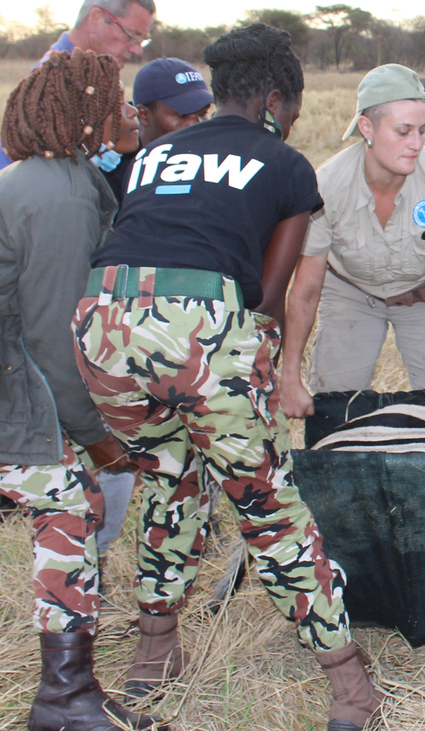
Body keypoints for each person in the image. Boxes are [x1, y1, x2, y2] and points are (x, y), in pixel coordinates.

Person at [71, 24, 382, 731]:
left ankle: (155, 650)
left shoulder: (158, 150)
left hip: (101, 323)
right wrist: (252, 390)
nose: (293, 122)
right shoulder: (287, 165)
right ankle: (350, 683)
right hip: (199, 324)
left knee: (169, 474)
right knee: (266, 502)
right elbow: (268, 297)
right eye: (295, 110)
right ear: (275, 98)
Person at [0, 49, 162, 731]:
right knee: (70, 515)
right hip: (20, 388)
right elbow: (51, 337)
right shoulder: (60, 196)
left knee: (78, 511)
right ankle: (64, 699)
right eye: (121, 101)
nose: (131, 113)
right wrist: (96, 436)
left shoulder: (44, 180)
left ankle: (69, 690)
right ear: (89, 111)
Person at [282, 63, 425, 418]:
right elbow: (306, 287)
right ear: (367, 128)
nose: (417, 144)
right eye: (404, 131)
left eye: (423, 131)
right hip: (351, 291)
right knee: (335, 404)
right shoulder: (326, 185)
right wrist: (288, 376)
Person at [0, 0, 156, 170]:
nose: (137, 51)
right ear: (96, 19)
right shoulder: (53, 86)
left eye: (142, 40)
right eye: (130, 36)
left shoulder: (87, 78)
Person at [104, 56, 213, 202]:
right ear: (144, 115)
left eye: (202, 114)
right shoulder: (114, 171)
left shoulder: (216, 165)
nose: (196, 124)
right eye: (182, 115)